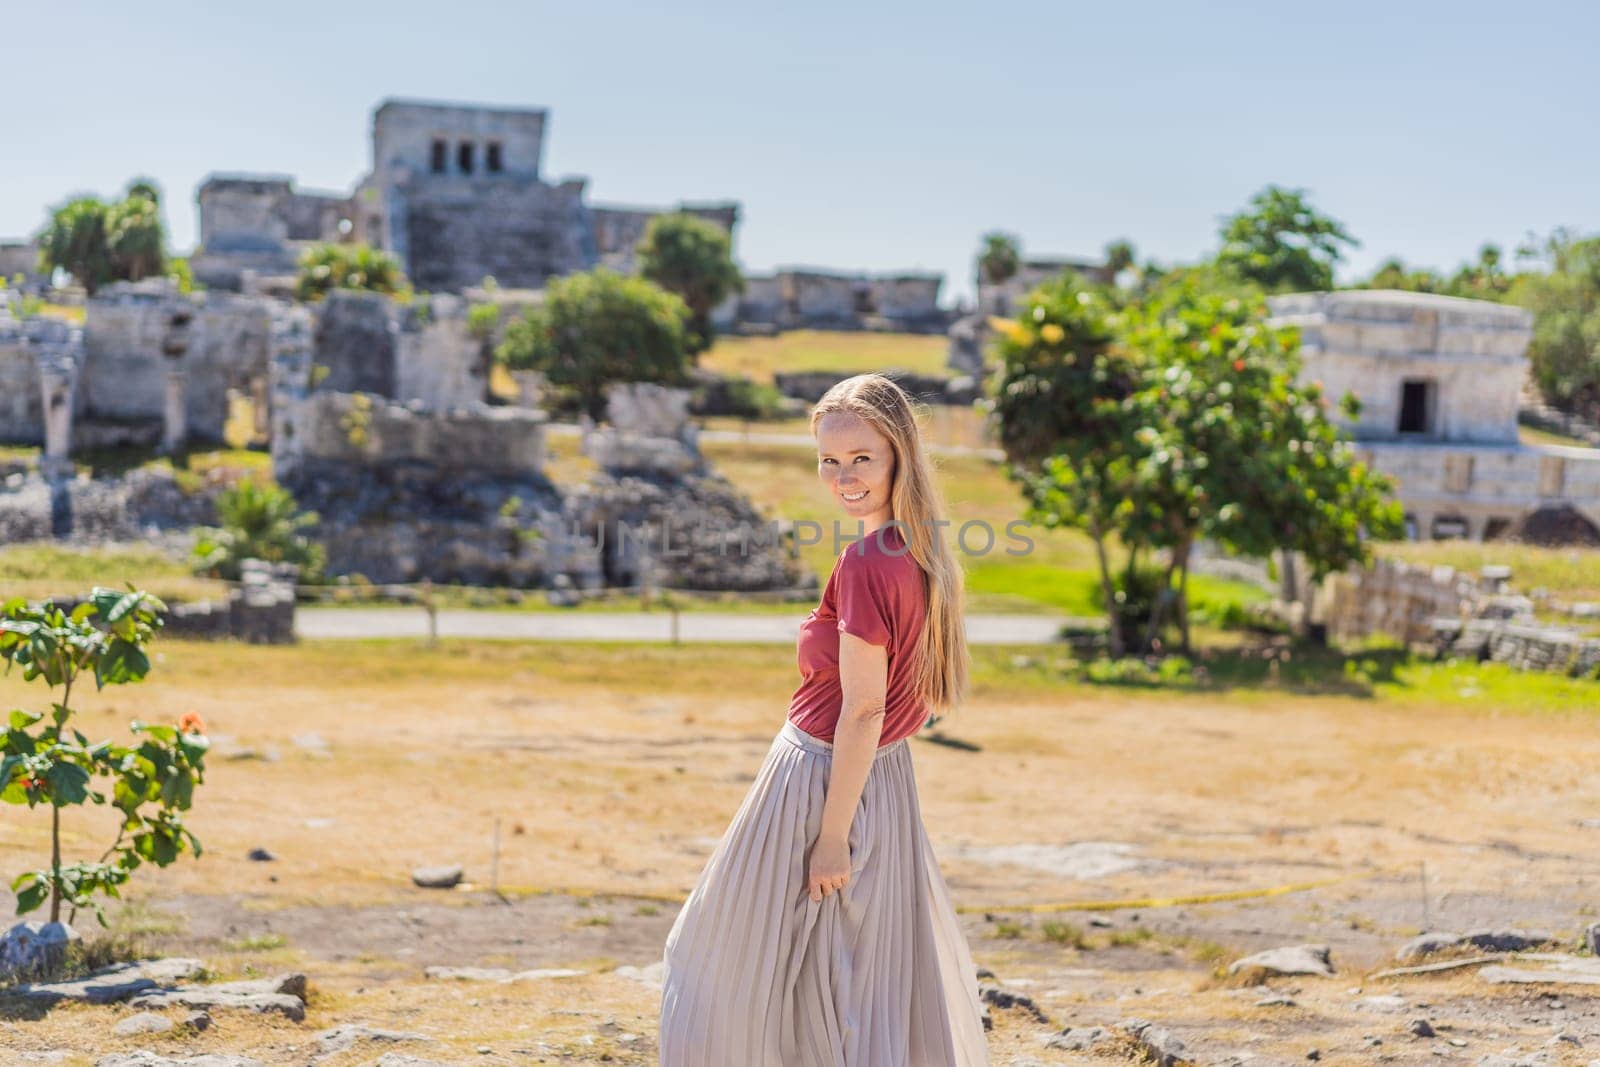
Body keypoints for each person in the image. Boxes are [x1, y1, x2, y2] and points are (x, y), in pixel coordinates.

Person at [659, 373, 989, 1065]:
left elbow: (867, 706)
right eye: (829, 459)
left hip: (822, 779)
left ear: (898, 453)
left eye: (861, 457)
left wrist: (832, 834)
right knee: (847, 979)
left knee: (710, 952)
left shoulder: (870, 560)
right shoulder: (920, 551)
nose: (842, 476)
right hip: (884, 785)